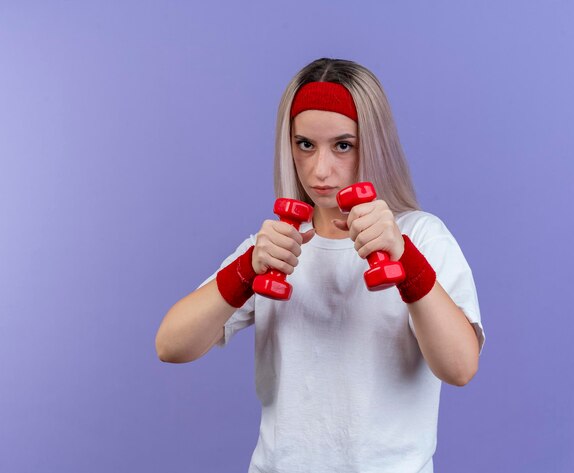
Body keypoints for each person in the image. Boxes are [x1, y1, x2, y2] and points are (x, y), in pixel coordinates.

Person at [155, 57, 485, 473]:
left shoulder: (420, 237)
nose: (319, 170)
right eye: (305, 144)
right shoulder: (275, 246)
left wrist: (405, 257)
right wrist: (246, 269)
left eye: (342, 145)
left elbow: (459, 368)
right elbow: (170, 345)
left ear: (373, 143)